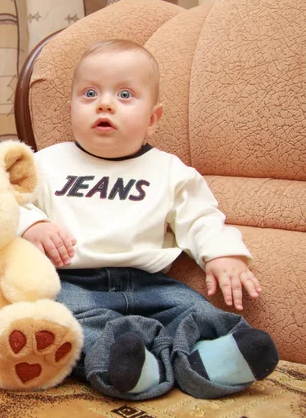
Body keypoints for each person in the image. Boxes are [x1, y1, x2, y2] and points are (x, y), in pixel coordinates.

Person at [18, 39, 279, 400]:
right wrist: (32, 224)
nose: (104, 103)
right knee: (60, 322)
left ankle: (213, 359)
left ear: (153, 119)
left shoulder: (170, 171)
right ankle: (128, 365)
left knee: (193, 309)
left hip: (150, 284)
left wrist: (222, 254)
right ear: (71, 109)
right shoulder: (46, 163)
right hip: (73, 282)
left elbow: (201, 217)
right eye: (89, 93)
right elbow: (8, 202)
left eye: (125, 95)